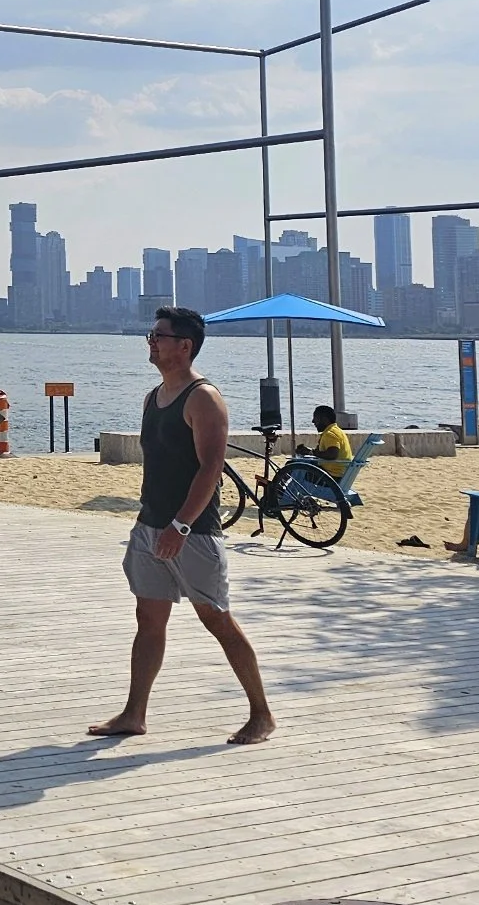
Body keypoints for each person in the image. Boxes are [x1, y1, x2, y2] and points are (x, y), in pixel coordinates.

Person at [89, 305, 276, 748]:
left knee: (217, 620)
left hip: (192, 531)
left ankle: (262, 714)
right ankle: (134, 714)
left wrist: (182, 525)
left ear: (184, 345)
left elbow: (211, 468)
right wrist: (155, 524)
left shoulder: (203, 398)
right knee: (148, 619)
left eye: (159, 336)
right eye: (151, 335)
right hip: (150, 525)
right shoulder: (153, 397)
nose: (152, 342)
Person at [303, 405, 356, 481]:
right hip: (340, 474)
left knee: (294, 466)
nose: (313, 421)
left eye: (316, 418)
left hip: (332, 476)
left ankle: (286, 488)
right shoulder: (337, 431)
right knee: (300, 463)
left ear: (325, 420)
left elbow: (332, 454)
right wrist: (309, 451)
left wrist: (310, 452)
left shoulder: (330, 434)